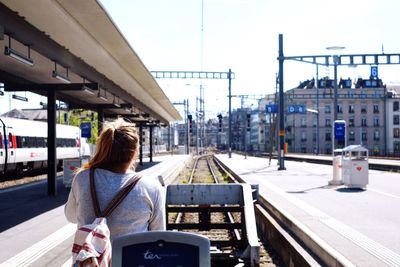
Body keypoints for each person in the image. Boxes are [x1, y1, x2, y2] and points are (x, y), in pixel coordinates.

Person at [64, 118, 165, 240]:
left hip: (91, 258)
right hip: (131, 259)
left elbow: (71, 217)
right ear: (135, 152)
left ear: (102, 147)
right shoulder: (151, 187)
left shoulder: (82, 179)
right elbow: (158, 235)